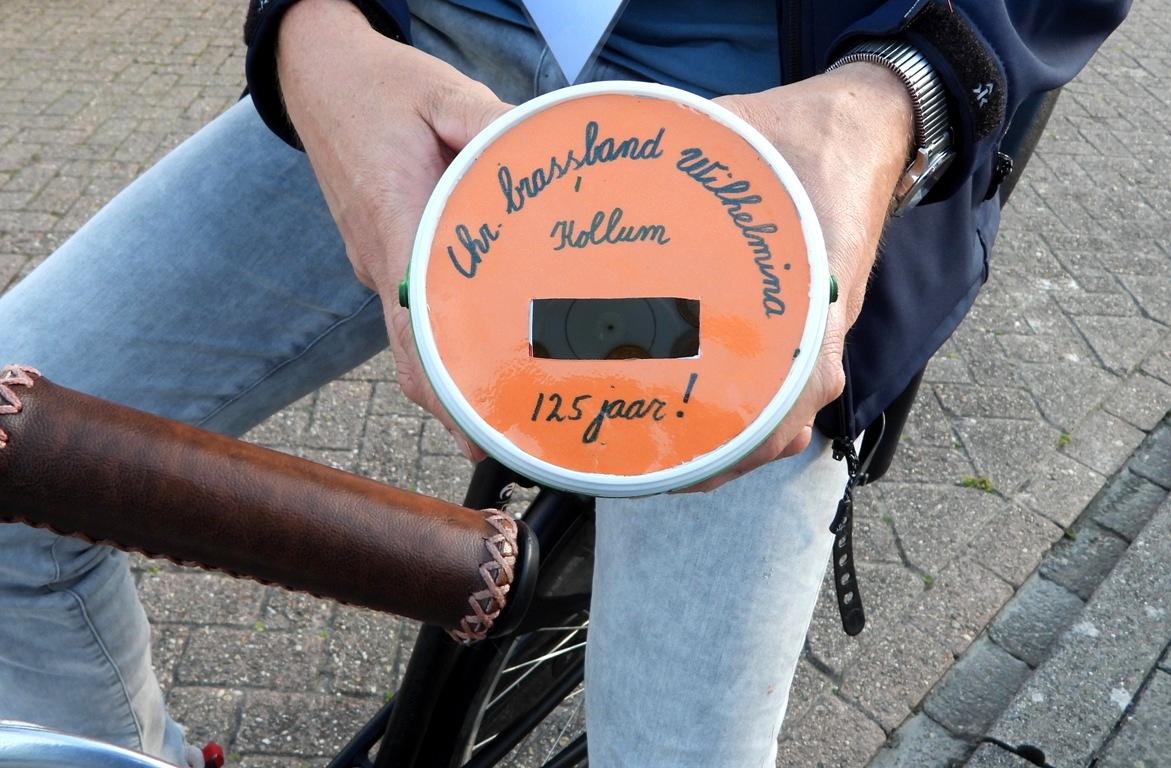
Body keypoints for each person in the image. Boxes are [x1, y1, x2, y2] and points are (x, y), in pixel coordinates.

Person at [0, 0, 1130, 765]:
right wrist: (309, 25)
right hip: (423, 60)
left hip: (769, 130)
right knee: (14, 464)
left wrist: (900, 91)